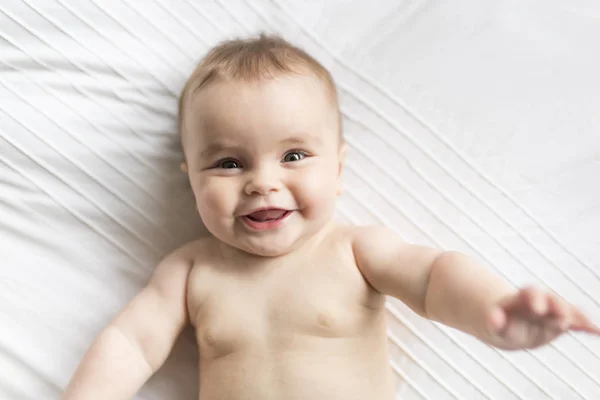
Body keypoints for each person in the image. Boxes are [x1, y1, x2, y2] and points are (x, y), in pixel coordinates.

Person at [63, 34, 600, 400]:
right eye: (228, 163)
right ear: (192, 178)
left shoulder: (354, 251)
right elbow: (131, 343)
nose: (262, 182)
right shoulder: (191, 272)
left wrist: (496, 312)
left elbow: (434, 277)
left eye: (294, 156)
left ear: (339, 169)